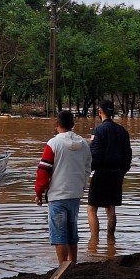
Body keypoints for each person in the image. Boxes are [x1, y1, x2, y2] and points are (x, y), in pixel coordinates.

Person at [35, 110, 92, 264]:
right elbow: (88, 169)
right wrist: (81, 185)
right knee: (72, 232)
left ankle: (62, 267)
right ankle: (73, 265)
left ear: (57, 124)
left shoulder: (53, 143)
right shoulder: (84, 144)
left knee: (59, 235)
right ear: (73, 124)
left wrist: (39, 192)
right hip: (75, 194)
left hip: (57, 195)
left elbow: (43, 171)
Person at [87, 99, 132, 243]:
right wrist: (122, 172)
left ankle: (94, 241)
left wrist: (88, 171)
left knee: (92, 209)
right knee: (110, 208)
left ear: (100, 112)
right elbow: (128, 155)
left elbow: (94, 154)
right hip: (116, 174)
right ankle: (111, 240)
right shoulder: (122, 131)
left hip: (101, 174)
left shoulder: (98, 130)